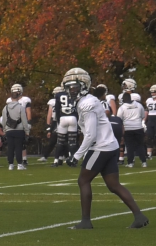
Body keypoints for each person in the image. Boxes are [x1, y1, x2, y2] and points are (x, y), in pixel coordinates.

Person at [61, 68, 149, 230]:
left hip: (100, 147)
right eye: (69, 87)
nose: (71, 91)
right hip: (110, 146)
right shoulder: (88, 101)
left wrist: (76, 156)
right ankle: (139, 216)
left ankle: (86, 221)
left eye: (74, 87)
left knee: (83, 180)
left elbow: (91, 134)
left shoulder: (87, 104)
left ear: (84, 86)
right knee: (113, 185)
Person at [0, 86, 30, 170]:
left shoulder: (5, 108)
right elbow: (24, 120)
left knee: (10, 147)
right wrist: (27, 131)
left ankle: (11, 164)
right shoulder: (21, 107)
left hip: (9, 130)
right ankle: (19, 164)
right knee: (18, 147)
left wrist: (5, 130)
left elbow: (4, 120)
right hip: (19, 130)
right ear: (18, 97)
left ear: (10, 97)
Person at [117, 92, 147, 167]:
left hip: (128, 128)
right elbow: (143, 116)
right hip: (138, 127)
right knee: (140, 145)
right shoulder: (139, 105)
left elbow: (119, 119)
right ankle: (144, 162)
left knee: (129, 146)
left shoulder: (122, 107)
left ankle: (130, 163)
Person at [52, 83, 79, 167]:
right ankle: (72, 160)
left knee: (60, 142)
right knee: (72, 142)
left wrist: (58, 120)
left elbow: (57, 108)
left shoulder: (59, 95)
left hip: (63, 118)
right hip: (73, 118)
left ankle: (56, 161)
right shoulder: (76, 94)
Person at [38, 87, 63, 163]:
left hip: (62, 120)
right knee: (53, 140)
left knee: (63, 140)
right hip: (55, 121)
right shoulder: (52, 102)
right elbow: (49, 114)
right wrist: (48, 126)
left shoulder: (65, 100)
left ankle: (64, 156)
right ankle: (46, 156)